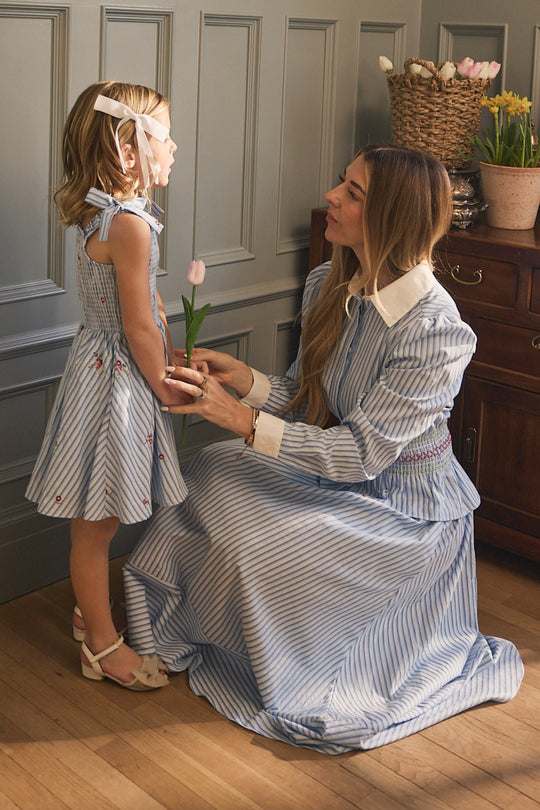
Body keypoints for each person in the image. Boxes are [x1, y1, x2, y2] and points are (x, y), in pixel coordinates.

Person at [123, 144, 523, 751]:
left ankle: (291, 655)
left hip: (403, 513)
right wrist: (245, 382)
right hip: (336, 470)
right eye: (343, 182)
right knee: (209, 470)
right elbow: (312, 400)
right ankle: (181, 624)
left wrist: (242, 420)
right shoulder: (328, 285)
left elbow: (359, 454)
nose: (332, 197)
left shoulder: (436, 333)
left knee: (253, 536)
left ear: (393, 215)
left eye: (354, 192)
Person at [26, 80, 190, 690]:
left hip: (98, 370)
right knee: (97, 523)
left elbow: (139, 314)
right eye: (164, 137)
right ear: (129, 152)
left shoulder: (109, 213)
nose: (173, 148)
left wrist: (162, 352)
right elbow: (138, 324)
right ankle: (100, 641)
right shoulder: (129, 225)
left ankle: (85, 609)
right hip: (117, 383)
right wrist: (166, 384)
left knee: (99, 515)